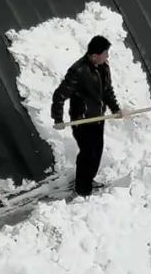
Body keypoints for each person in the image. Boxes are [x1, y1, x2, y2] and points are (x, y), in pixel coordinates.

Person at [51, 35, 122, 197]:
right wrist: (58, 119)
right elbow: (60, 95)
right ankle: (82, 189)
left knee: (96, 151)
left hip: (98, 118)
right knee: (87, 153)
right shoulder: (78, 71)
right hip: (82, 120)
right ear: (95, 55)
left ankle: (88, 179)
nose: (107, 57)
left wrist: (115, 109)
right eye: (105, 53)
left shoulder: (103, 67)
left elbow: (107, 91)